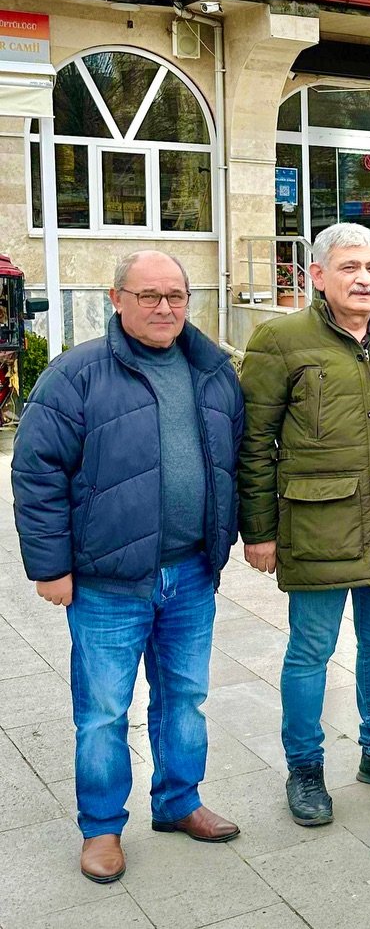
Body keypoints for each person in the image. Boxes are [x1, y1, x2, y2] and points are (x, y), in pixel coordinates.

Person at [13, 251, 244, 884]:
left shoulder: (213, 372)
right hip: (107, 582)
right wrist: (50, 567)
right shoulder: (76, 374)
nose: (164, 307)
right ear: (117, 300)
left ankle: (178, 801)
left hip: (190, 573)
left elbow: (234, 461)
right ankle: (101, 828)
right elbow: (36, 473)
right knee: (104, 711)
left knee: (185, 698)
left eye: (176, 295)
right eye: (148, 296)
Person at [239, 223, 370, 826]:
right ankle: (305, 768)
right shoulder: (280, 340)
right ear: (318, 276)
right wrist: (259, 532)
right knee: (310, 651)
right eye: (350, 267)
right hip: (318, 526)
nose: (365, 279)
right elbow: (254, 443)